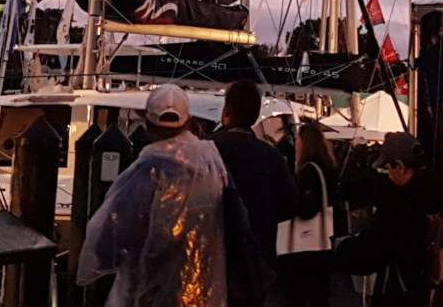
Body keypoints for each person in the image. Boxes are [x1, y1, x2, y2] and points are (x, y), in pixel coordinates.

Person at [79, 85, 231, 307]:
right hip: (201, 289)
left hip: (152, 293)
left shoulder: (147, 172)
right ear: (188, 122)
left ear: (148, 125)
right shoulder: (211, 163)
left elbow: (111, 232)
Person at [334, 132, 443, 307]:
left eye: (386, 169)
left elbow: (369, 255)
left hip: (404, 296)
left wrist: (342, 246)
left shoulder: (400, 205)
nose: (387, 176)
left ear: (399, 166)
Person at [211, 80, 303, 303]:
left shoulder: (207, 150)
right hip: (256, 261)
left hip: (212, 259)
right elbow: (290, 205)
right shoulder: (271, 157)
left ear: (226, 111)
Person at [275, 120, 341, 307]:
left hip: (304, 249)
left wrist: (288, 204)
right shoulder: (327, 170)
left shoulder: (309, 171)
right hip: (322, 245)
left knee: (298, 295)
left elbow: (307, 208)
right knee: (319, 295)